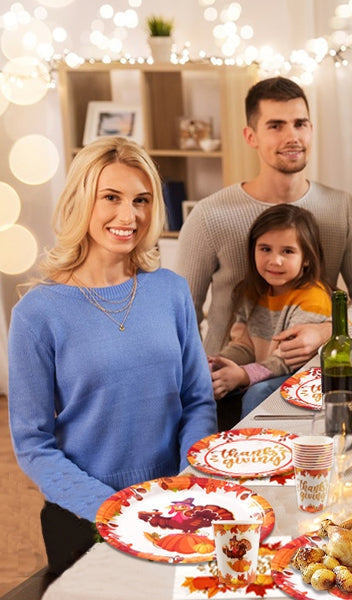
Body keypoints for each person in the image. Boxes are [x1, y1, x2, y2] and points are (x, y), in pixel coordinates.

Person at [7, 137, 217, 576]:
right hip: (87, 515)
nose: (129, 216)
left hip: (176, 503)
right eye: (111, 198)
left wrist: (188, 479)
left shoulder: (172, 290)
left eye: (141, 200)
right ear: (81, 200)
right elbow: (33, 444)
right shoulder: (36, 313)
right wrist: (112, 509)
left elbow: (197, 400)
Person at [177, 76, 352, 364]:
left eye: (300, 124)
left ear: (311, 129)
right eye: (276, 126)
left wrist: (327, 331)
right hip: (227, 379)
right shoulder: (208, 216)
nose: (292, 137)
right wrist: (200, 379)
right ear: (251, 136)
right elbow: (182, 314)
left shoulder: (342, 208)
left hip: (311, 378)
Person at [209, 204, 332, 428]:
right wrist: (220, 364)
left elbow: (287, 360)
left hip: (301, 381)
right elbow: (245, 345)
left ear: (306, 258)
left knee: (258, 393)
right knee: (208, 383)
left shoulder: (313, 298)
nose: (275, 260)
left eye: (287, 251)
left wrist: (242, 376)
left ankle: (254, 444)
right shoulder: (251, 292)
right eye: (265, 249)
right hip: (264, 370)